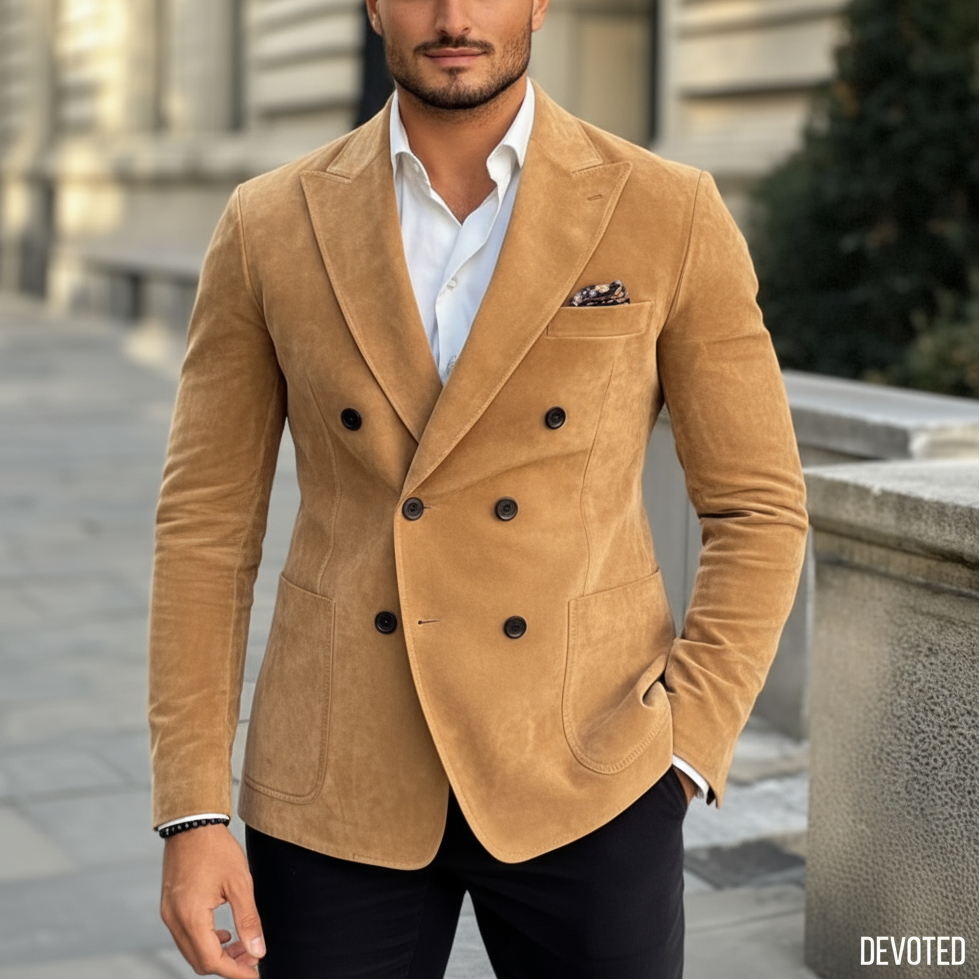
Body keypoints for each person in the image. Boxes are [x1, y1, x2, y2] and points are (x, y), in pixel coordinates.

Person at [148, 1, 809, 977]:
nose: (453, 14)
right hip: (339, 777)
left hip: (589, 770)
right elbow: (206, 524)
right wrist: (193, 808)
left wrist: (687, 744)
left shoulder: (663, 207)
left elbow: (756, 503)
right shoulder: (269, 220)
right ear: (372, 3)